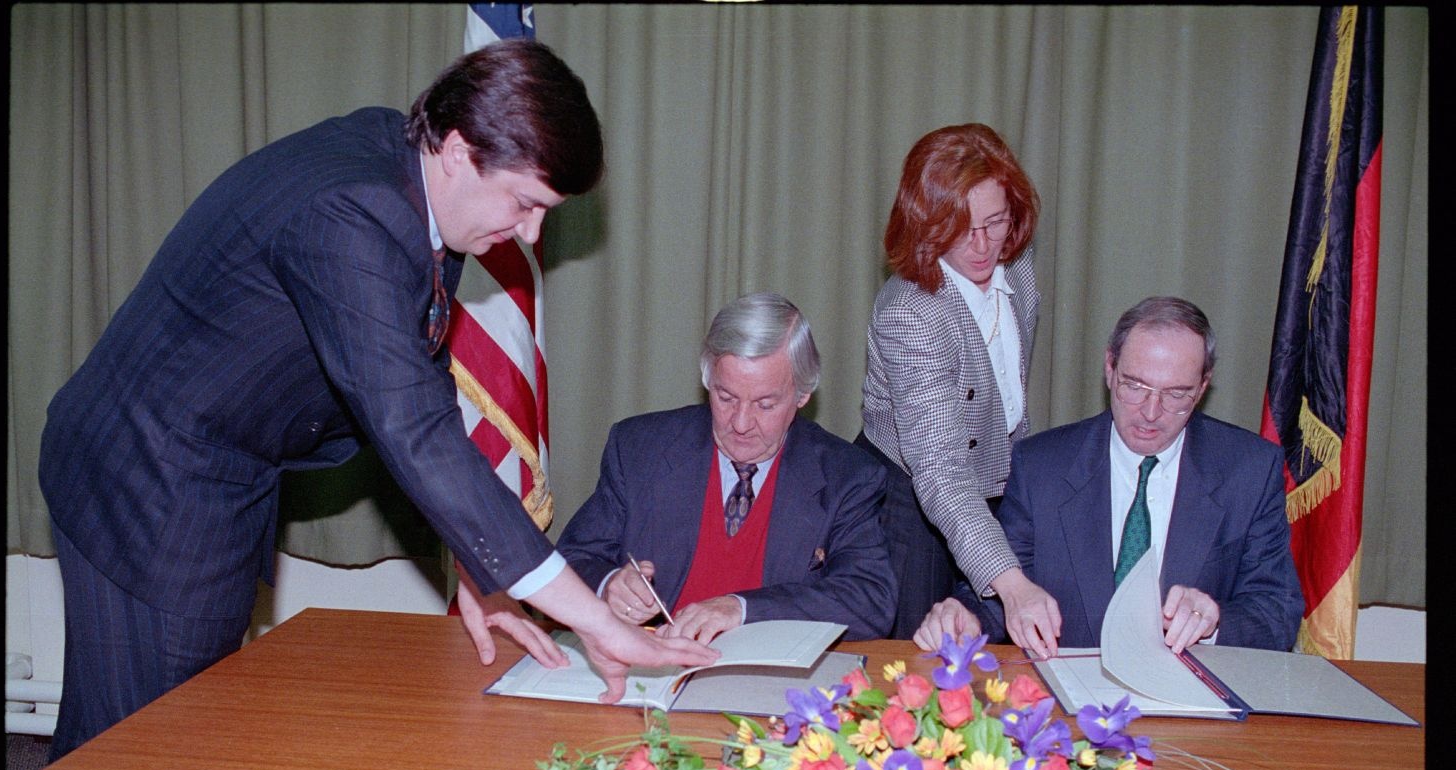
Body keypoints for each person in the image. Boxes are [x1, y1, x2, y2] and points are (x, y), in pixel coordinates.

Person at [16, 38, 712, 770]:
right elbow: (414, 429)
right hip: (153, 480)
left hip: (216, 471)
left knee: (113, 757)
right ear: (463, 151)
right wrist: (600, 624)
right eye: (529, 203)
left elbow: (409, 401)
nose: (533, 234)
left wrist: (478, 567)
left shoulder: (416, 179)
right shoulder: (356, 208)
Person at [916, 296, 1304, 654]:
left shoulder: (1249, 470)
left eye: (1176, 394)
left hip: (1190, 704)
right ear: (1109, 367)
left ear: (1203, 387)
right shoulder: (1043, 466)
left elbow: (1277, 613)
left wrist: (1214, 622)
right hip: (1067, 703)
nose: (1151, 412)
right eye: (1135, 386)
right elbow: (1004, 594)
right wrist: (964, 618)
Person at [557, 292, 897, 643]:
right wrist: (608, 585)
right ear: (707, 380)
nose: (741, 422)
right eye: (726, 397)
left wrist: (742, 609)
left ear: (802, 395)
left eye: (765, 404)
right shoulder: (639, 449)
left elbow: (869, 602)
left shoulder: (847, 475)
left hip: (767, 680)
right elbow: (572, 559)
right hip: (651, 667)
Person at [856, 123, 1061, 657]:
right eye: (960, 227)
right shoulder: (912, 313)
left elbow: (1006, 393)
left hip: (995, 479)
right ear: (925, 223)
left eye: (995, 223)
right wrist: (1012, 585)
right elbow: (942, 469)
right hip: (912, 498)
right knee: (916, 657)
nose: (983, 245)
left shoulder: (1019, 263)